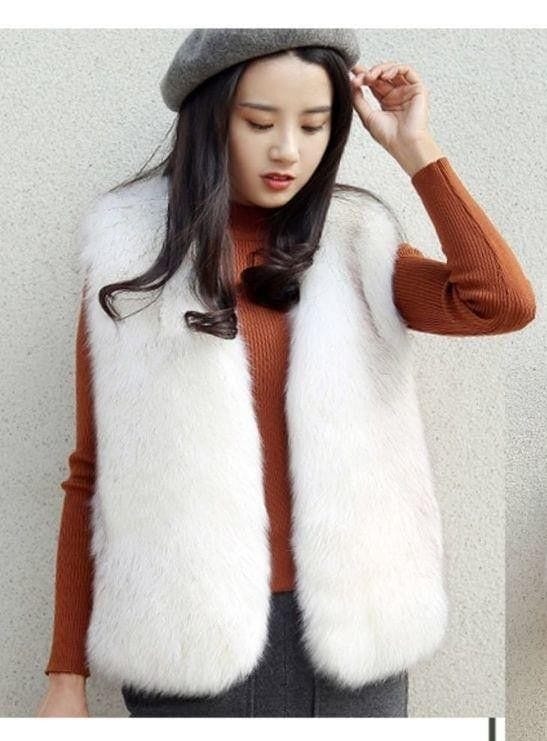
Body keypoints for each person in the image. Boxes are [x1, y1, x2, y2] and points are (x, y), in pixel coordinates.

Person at [37, 29, 536, 718]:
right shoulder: (130, 259)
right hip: (189, 645)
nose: (287, 151)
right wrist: (65, 675)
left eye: (314, 124)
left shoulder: (356, 243)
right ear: (211, 122)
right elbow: (91, 472)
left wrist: (415, 149)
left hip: (353, 640)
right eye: (259, 122)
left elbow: (500, 303)